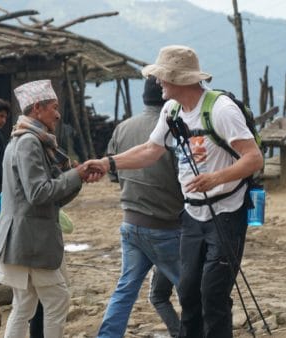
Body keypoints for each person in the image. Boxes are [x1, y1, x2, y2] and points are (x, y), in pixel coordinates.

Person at [86, 45, 263, 337]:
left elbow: (253, 158)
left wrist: (216, 178)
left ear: (179, 80)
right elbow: (151, 150)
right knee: (189, 293)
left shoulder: (221, 110)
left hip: (227, 214)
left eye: (162, 76)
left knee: (213, 296)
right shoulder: (172, 110)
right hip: (193, 215)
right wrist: (108, 162)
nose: (157, 82)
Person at [0, 79, 97, 338]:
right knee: (57, 299)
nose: (58, 114)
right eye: (53, 107)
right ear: (37, 108)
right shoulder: (29, 142)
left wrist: (77, 177)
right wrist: (75, 176)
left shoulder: (23, 139)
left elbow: (50, 197)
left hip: (24, 238)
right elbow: (38, 193)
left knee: (24, 305)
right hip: (30, 240)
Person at [97, 76, 183, 338]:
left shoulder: (123, 128)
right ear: (168, 96)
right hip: (167, 226)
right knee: (190, 291)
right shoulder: (174, 128)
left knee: (125, 289)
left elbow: (113, 174)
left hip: (131, 222)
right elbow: (185, 178)